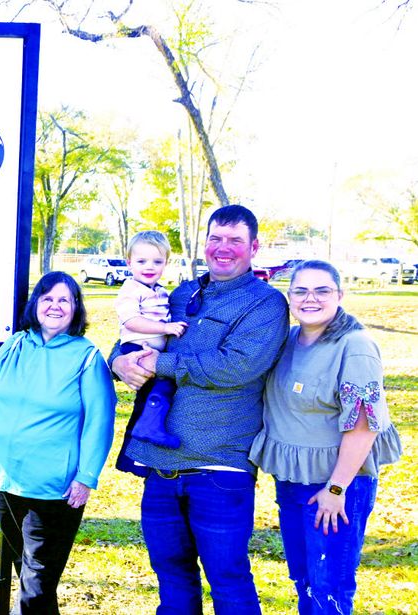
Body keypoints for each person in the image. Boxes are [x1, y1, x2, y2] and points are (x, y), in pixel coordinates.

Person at [110, 205, 289, 614]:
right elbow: (139, 336)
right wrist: (118, 362)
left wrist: (163, 364)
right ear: (204, 243)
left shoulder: (265, 304)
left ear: (253, 247)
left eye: (235, 241)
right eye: (215, 238)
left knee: (228, 579)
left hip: (219, 469)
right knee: (172, 578)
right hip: (162, 467)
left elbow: (237, 366)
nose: (223, 248)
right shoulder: (180, 294)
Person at [249, 260, 403, 615]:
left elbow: (364, 425)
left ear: (340, 295)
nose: (310, 299)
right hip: (292, 480)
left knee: (328, 586)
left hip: (336, 486)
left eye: (322, 290)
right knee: (303, 578)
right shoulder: (288, 340)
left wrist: (336, 490)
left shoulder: (355, 345)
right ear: (289, 296)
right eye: (301, 290)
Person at [0, 271, 117, 614]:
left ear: (76, 308)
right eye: (47, 298)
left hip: (54, 490)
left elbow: (100, 422)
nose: (55, 306)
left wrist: (86, 477)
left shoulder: (87, 357)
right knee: (32, 577)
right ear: (35, 303)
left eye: (64, 299)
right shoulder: (14, 345)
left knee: (36, 584)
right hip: (4, 479)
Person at [114, 230, 187, 452]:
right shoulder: (131, 290)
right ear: (129, 263)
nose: (149, 267)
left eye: (157, 261)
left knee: (163, 387)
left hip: (154, 351)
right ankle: (148, 429)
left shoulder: (161, 291)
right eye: (141, 261)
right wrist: (165, 328)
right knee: (160, 387)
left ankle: (148, 428)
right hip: (137, 347)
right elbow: (131, 321)